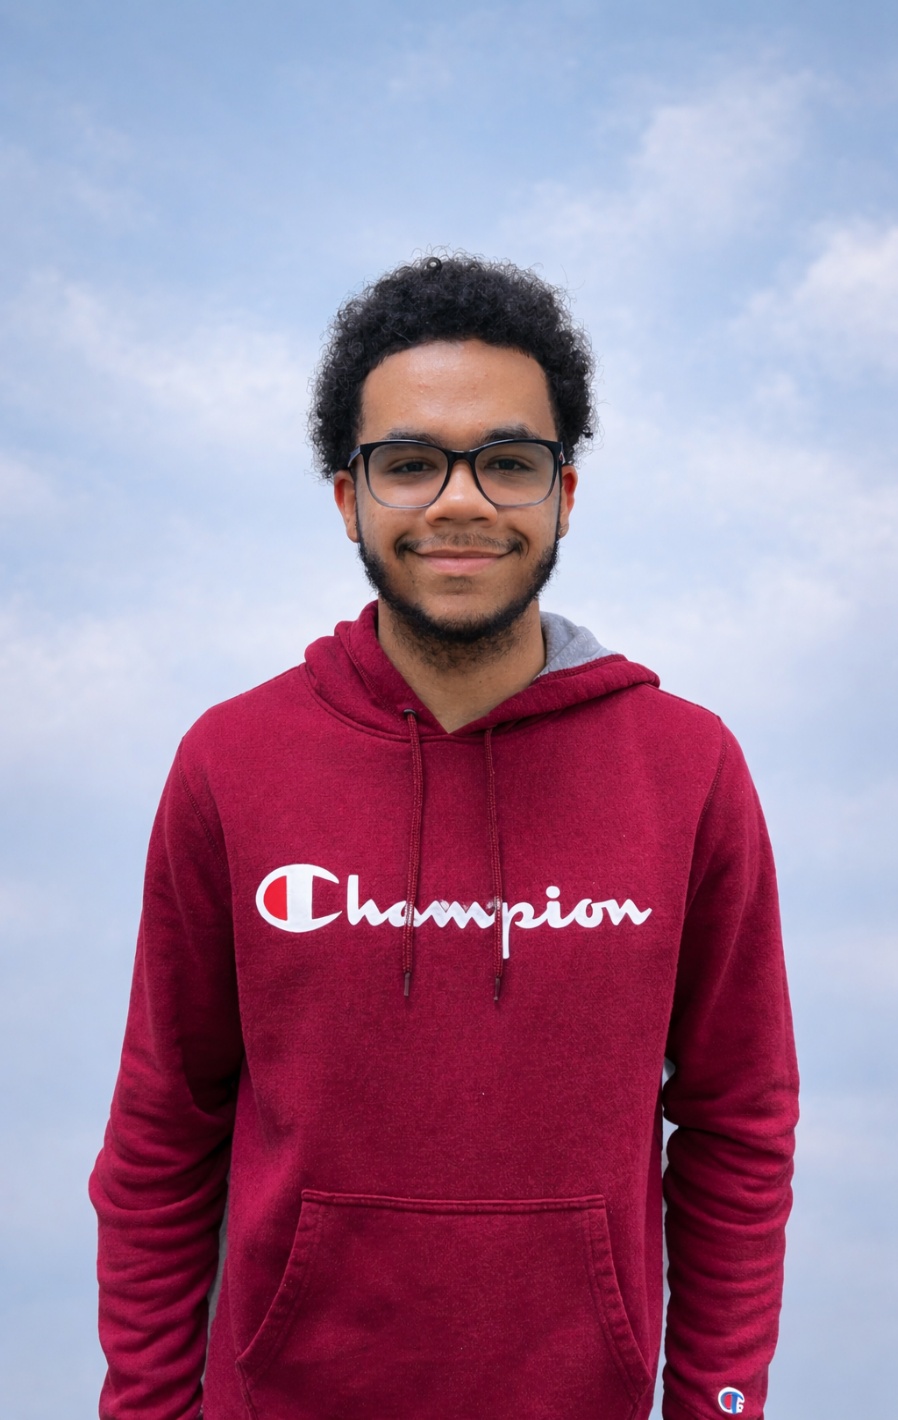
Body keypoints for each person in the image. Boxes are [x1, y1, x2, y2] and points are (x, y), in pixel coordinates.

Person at [91, 253, 798, 1420]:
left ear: (564, 494)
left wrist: (717, 1405)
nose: (459, 500)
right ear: (348, 499)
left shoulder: (688, 766)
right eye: (409, 464)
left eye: (507, 463)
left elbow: (738, 1121)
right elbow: (163, 1130)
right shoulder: (231, 761)